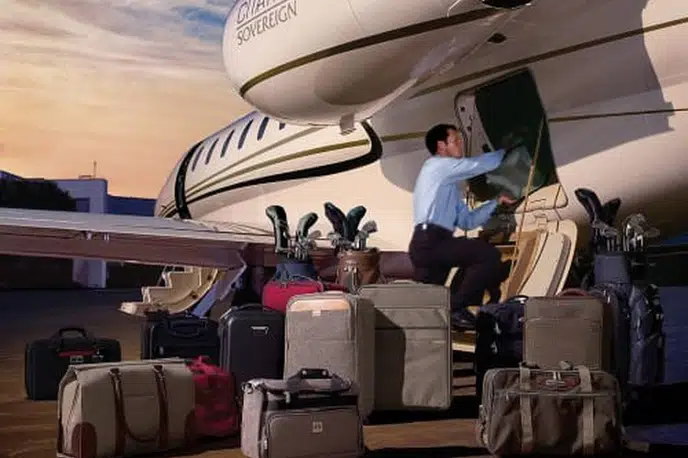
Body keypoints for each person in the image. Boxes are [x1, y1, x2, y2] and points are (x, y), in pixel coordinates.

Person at [409, 123, 518, 330]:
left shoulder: (448, 185)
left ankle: (449, 320)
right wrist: (506, 152)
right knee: (487, 256)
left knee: (424, 311)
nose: (461, 144)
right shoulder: (436, 166)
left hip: (429, 244)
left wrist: (495, 202)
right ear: (441, 146)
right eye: (456, 141)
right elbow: (475, 165)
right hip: (431, 242)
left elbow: (468, 221)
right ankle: (457, 309)